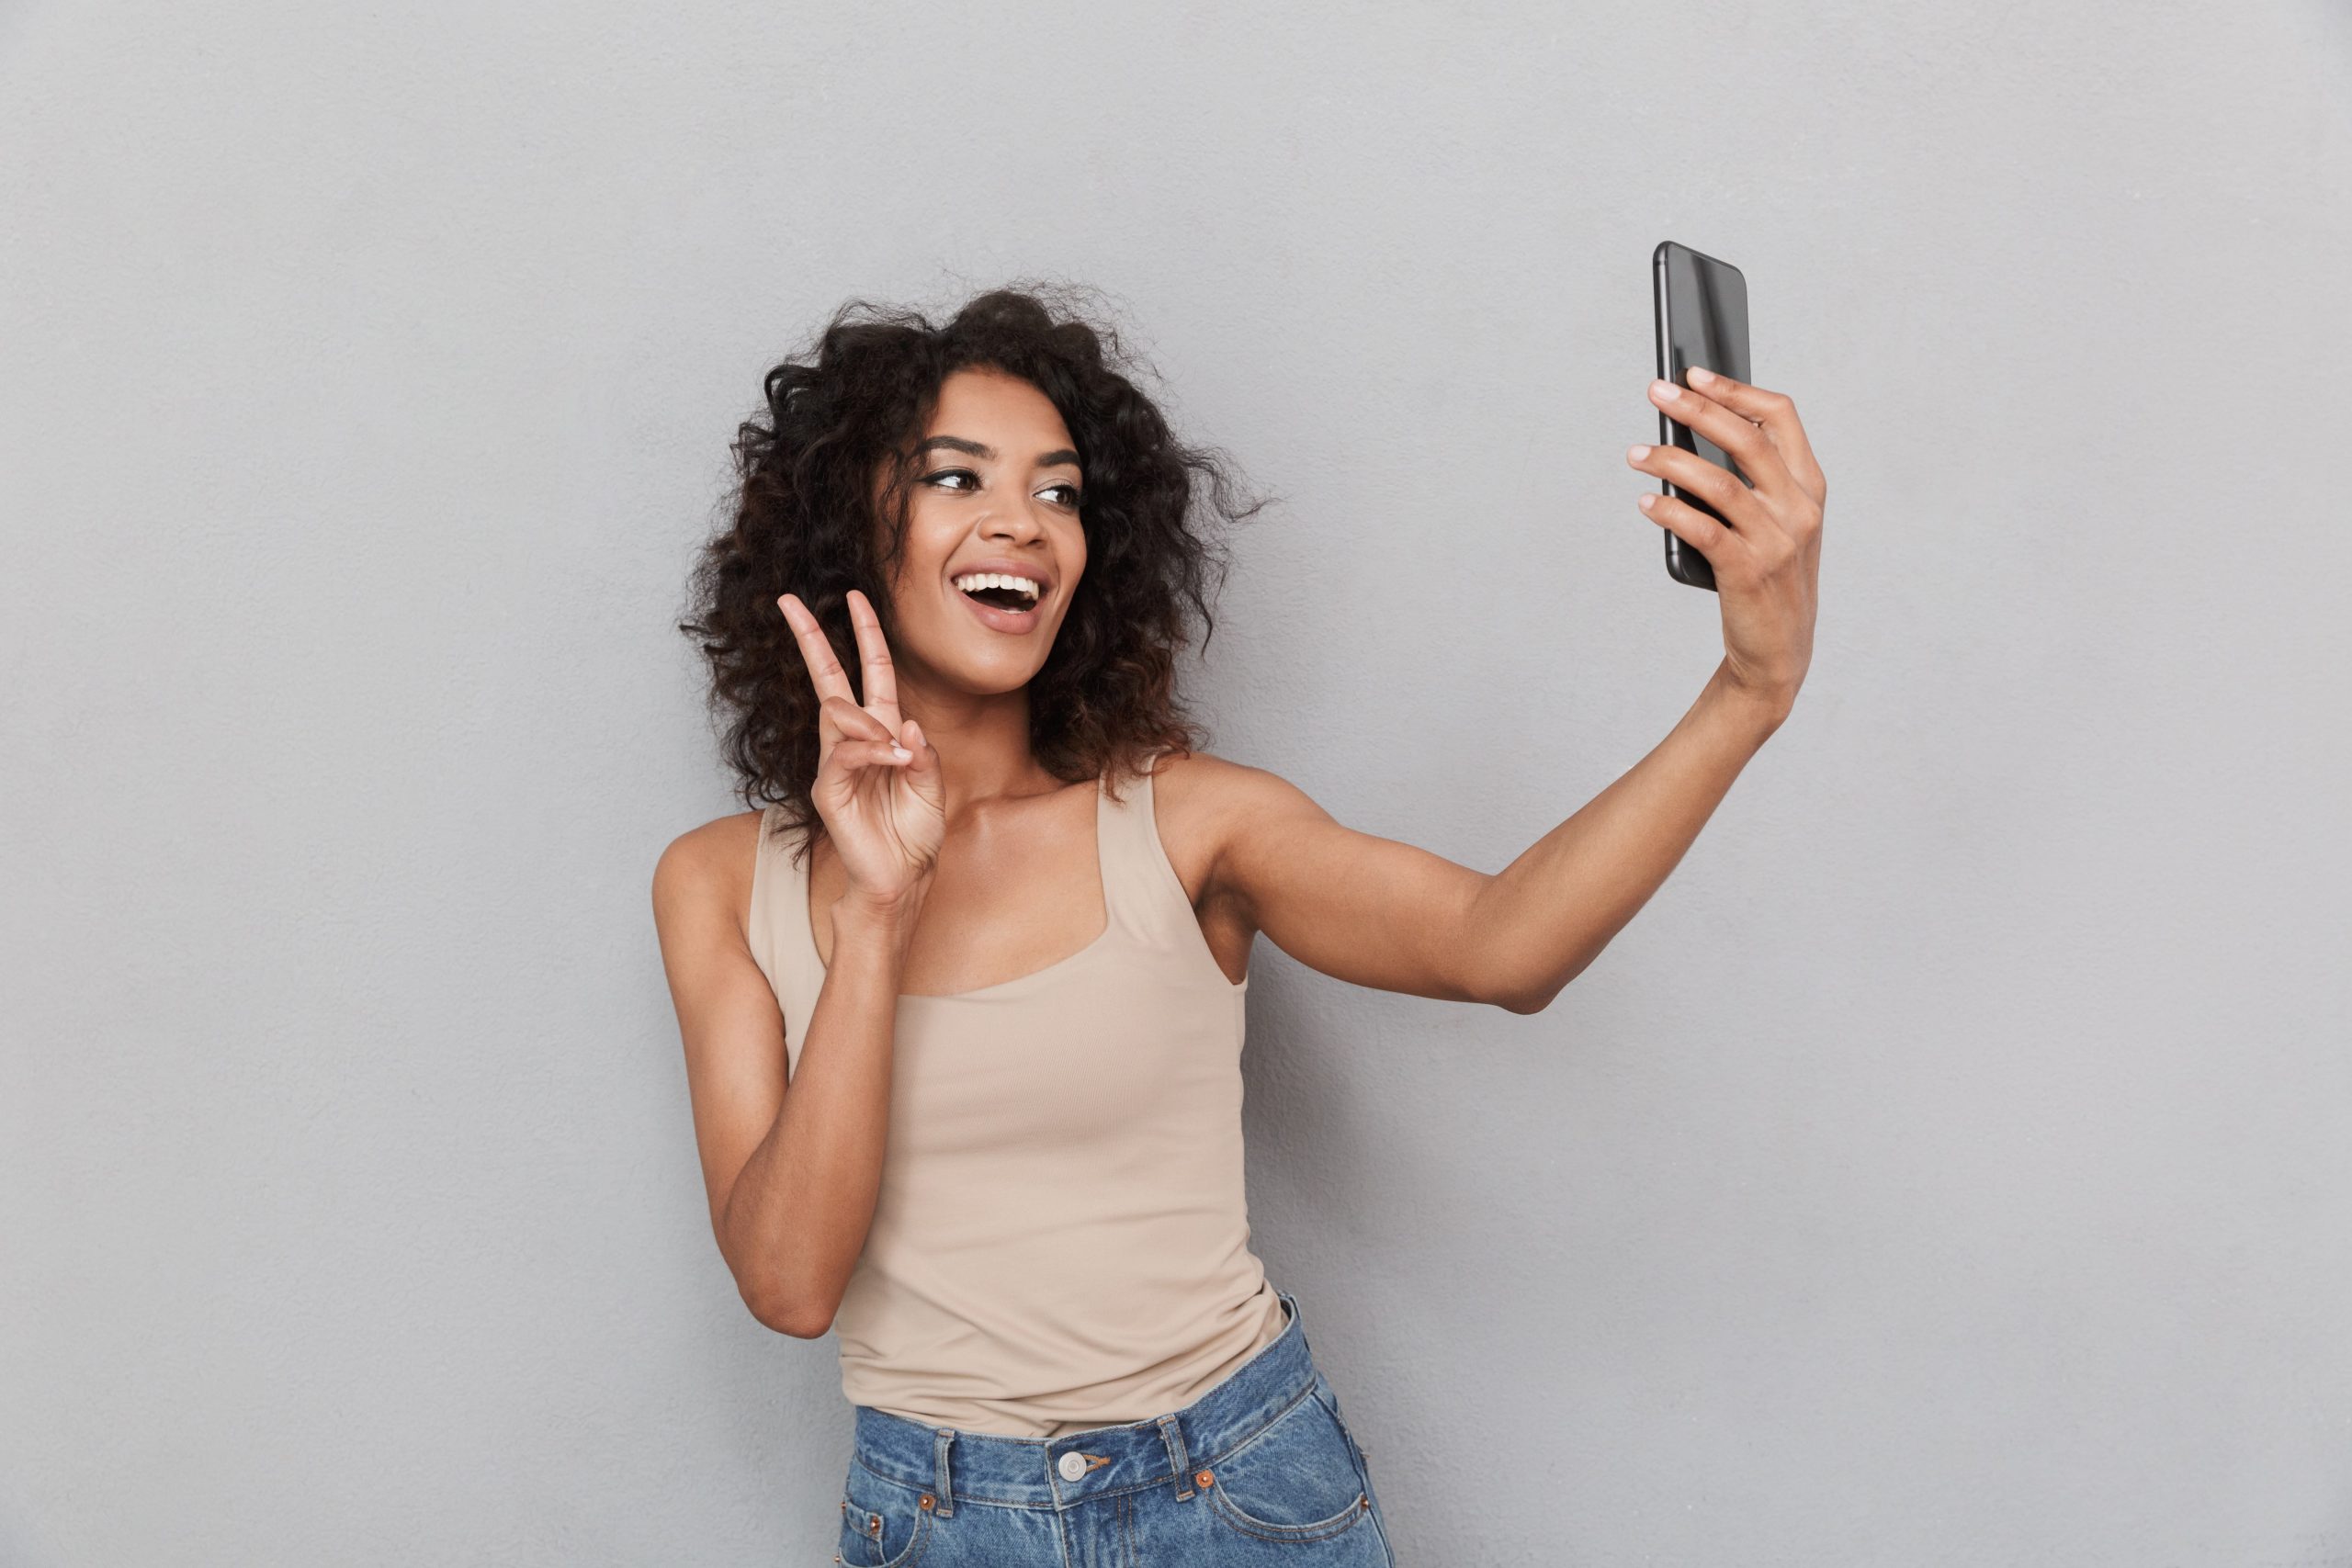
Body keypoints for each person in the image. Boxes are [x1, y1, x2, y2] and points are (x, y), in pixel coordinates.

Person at [651, 284, 1825, 1566]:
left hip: (1238, 1495)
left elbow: (1505, 946)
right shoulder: (720, 881)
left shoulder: (1191, 825)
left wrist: (1749, 690)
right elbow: (789, 1286)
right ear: (846, 528)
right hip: (943, 1523)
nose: (1022, 526)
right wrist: (875, 917)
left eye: (1061, 492)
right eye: (955, 478)